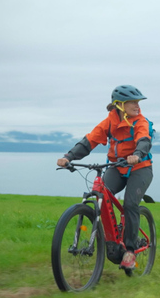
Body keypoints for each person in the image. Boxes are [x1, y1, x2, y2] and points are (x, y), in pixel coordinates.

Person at [56, 85, 153, 270]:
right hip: (117, 167)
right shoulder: (109, 122)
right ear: (119, 105)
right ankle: (110, 238)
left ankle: (130, 251)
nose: (137, 105)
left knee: (130, 204)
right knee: (100, 195)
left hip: (140, 168)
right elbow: (89, 141)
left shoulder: (140, 122)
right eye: (133, 102)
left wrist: (138, 154)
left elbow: (144, 139)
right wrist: (68, 157)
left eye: (138, 102)